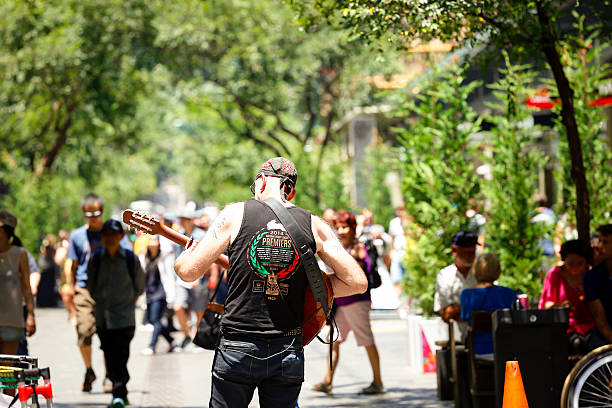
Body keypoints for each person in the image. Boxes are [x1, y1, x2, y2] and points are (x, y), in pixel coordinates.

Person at [174, 157, 368, 408]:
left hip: (237, 345)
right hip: (287, 348)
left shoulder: (235, 213)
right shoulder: (314, 224)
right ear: (292, 191)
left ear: (262, 181)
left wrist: (185, 255)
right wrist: (305, 287)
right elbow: (357, 283)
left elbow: (188, 272)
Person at [313, 210, 384, 395]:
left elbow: (352, 277)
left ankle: (378, 382)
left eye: (345, 227)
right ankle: (327, 382)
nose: (342, 231)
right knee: (333, 341)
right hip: (343, 304)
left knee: (366, 340)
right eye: (339, 228)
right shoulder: (344, 248)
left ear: (353, 228)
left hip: (356, 302)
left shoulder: (358, 248)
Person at [67, 193, 131, 392]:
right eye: (88, 214)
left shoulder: (113, 231)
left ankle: (109, 375)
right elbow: (73, 266)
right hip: (85, 289)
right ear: (83, 213)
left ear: (102, 212)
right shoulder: (77, 236)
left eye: (95, 213)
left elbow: (127, 257)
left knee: (108, 336)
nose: (92, 218)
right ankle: (89, 370)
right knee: (84, 331)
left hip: (108, 291)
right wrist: (71, 292)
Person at [88, 219, 145, 408]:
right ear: (102, 237)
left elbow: (139, 287)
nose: (110, 238)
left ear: (121, 236)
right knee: (110, 356)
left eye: (114, 234)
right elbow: (91, 286)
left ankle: (118, 393)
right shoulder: (96, 259)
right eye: (107, 235)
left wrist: (126, 304)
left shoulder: (130, 258)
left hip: (124, 318)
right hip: (103, 318)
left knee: (121, 355)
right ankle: (121, 392)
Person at [539, 239, 594, 355]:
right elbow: (545, 306)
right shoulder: (554, 275)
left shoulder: (591, 274)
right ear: (564, 261)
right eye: (571, 263)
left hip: (590, 328)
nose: (575, 268)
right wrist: (561, 305)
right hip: (564, 329)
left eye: (580, 263)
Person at [460, 253, 516, 360]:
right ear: (498, 271)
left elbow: (465, 318)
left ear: (475, 270)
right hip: (505, 351)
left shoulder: (466, 295)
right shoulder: (508, 294)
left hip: (478, 351)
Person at [173, 208, 210, 350]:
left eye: (184, 219)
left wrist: (198, 276)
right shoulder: (179, 235)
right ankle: (187, 335)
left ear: (190, 221)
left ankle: (197, 337)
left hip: (199, 279)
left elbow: (206, 258)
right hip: (182, 280)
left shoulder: (202, 235)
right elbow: (178, 257)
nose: (182, 222)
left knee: (199, 310)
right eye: (181, 219)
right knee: (178, 306)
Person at [0, 210, 36, 355]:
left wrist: (30, 315)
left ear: (6, 232)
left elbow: (27, 288)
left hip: (12, 321)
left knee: (8, 370)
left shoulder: (19, 254)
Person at [434, 231, 478, 337]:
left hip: (479, 340)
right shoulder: (444, 275)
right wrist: (476, 311)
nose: (471, 256)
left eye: (473, 252)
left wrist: (458, 309)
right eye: (467, 252)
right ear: (454, 250)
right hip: (454, 340)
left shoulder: (482, 273)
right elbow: (446, 314)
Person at [140, 235, 176, 355]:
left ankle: (152, 346)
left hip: (160, 293)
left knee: (155, 320)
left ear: (159, 243)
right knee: (153, 320)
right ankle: (171, 341)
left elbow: (170, 275)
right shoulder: (145, 257)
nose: (152, 243)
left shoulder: (164, 257)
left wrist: (171, 295)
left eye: (154, 240)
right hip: (149, 294)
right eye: (150, 240)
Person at [583, 224, 612, 350]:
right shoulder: (591, 277)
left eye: (605, 242)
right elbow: (601, 322)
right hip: (604, 336)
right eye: (600, 241)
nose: (599, 246)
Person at [55, 229, 77, 325]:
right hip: (66, 278)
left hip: (77, 277)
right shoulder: (62, 248)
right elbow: (58, 260)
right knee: (66, 295)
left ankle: (75, 313)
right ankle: (72, 312)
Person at [37, 234, 59, 307]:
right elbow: (42, 265)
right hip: (44, 275)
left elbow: (56, 264)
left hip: (52, 275)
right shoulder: (43, 254)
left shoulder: (54, 252)